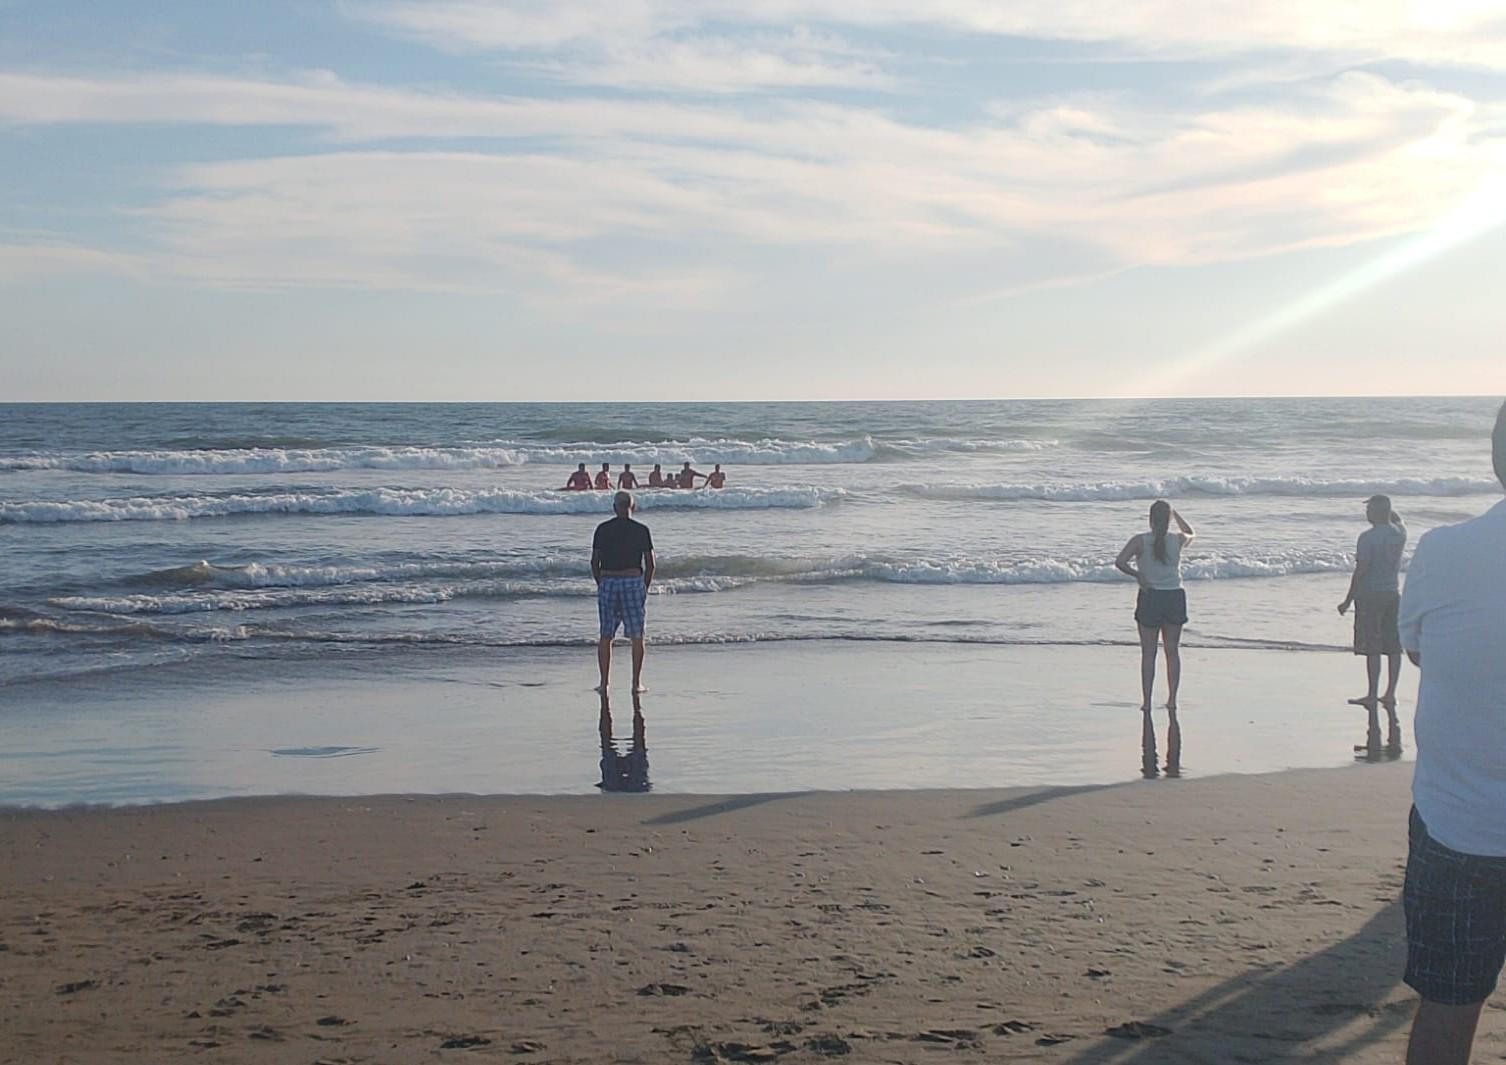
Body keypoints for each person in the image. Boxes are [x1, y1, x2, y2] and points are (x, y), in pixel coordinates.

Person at [1398, 401, 1506, 1065]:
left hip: (1455, 825)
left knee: (1447, 1009)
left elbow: (1419, 651)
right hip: (1454, 821)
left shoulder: (1442, 551)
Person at [1114, 500, 1196, 714]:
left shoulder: (1140, 541)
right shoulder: (1177, 539)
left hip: (1150, 596)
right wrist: (1176, 514)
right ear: (1168, 520)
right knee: (1172, 652)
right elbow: (1191, 532)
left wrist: (1138, 574)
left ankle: (1147, 701)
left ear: (1150, 519)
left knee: (1148, 653)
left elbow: (1120, 561)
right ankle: (1172, 700)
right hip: (1174, 596)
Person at [1337, 494, 1407, 741]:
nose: (1366, 514)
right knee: (1393, 645)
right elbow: (1398, 519)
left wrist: (1347, 600)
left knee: (1373, 647)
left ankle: (1372, 692)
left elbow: (1361, 571)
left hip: (1370, 595)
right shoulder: (1399, 533)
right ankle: (1390, 692)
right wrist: (1389, 511)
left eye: (1369, 510)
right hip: (1392, 592)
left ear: (1375, 514)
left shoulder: (1367, 538)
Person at [591, 490, 654, 694]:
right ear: (632, 507)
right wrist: (644, 586)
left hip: (609, 580)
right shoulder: (641, 530)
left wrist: (601, 582)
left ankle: (604, 683)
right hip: (632, 580)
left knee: (606, 634)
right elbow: (651, 563)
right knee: (637, 635)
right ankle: (636, 683)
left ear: (614, 507)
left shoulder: (602, 529)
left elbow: (594, 562)